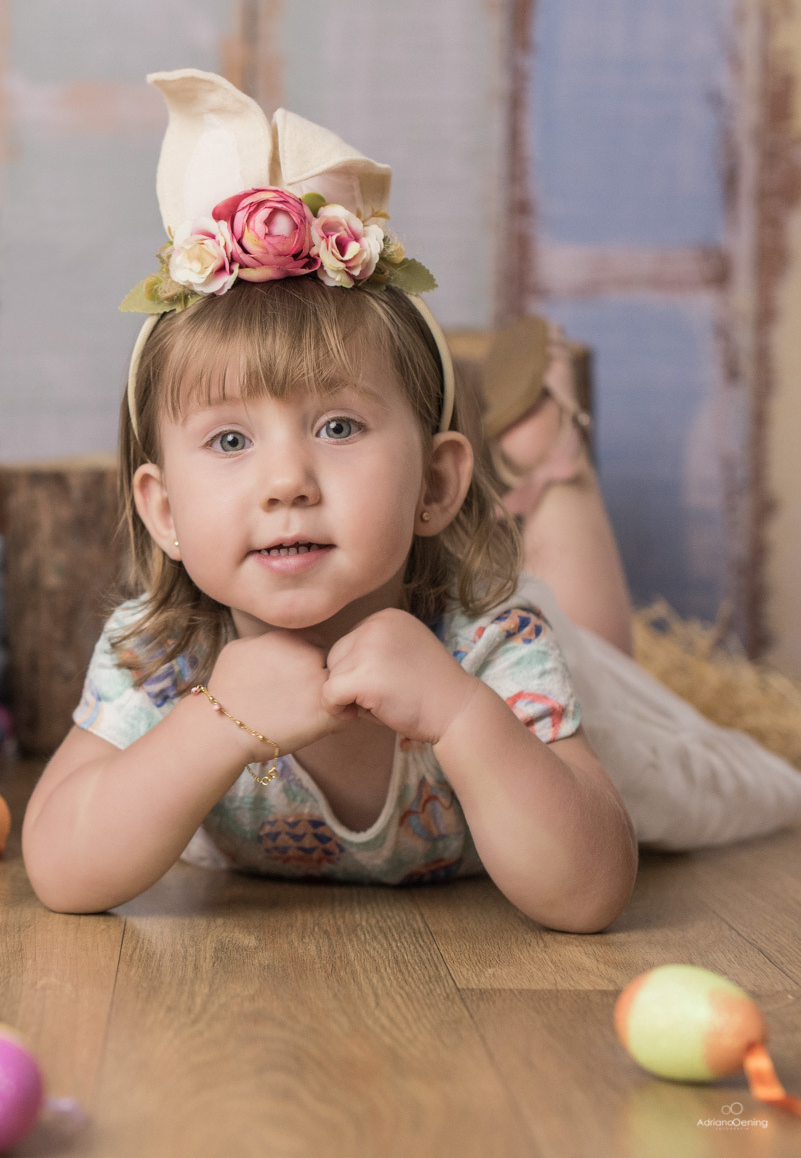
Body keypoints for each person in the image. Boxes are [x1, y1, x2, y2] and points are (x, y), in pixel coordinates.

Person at [21, 69, 637, 929]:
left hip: (563, 671)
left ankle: (551, 458)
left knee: (608, 659)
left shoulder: (489, 642)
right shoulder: (157, 655)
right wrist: (216, 723)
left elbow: (591, 892)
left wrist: (462, 717)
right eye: (230, 441)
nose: (286, 483)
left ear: (434, 484)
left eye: (339, 427)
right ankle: (538, 454)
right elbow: (59, 866)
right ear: (164, 512)